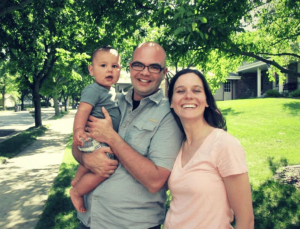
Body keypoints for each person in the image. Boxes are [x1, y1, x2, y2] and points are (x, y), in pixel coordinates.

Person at [72, 42, 184, 229]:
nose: (145, 72)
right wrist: (86, 158)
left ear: (164, 73)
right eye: (139, 65)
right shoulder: (111, 100)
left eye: (154, 67)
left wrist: (111, 137)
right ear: (130, 68)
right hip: (89, 221)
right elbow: (77, 147)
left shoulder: (170, 114)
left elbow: (156, 181)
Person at [164, 69, 254, 229]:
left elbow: (246, 221)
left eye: (196, 90)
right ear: (171, 102)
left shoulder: (224, 144)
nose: (188, 96)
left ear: (206, 100)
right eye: (180, 91)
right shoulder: (178, 145)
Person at [70, 46, 121, 213]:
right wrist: (78, 130)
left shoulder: (111, 91)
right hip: (93, 137)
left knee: (93, 161)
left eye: (115, 66)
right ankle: (77, 192)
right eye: (103, 65)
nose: (110, 70)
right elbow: (83, 110)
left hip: (100, 138)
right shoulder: (93, 89)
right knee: (104, 169)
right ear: (91, 70)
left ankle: (78, 179)